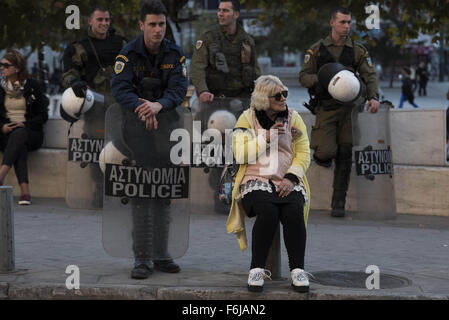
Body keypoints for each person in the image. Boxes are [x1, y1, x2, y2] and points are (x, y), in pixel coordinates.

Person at [111, 0, 188, 279]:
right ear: (142, 25)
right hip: (135, 131)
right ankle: (142, 258)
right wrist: (144, 108)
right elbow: (120, 89)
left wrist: (159, 106)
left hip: (167, 129)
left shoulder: (175, 52)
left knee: (163, 192)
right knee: (144, 192)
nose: (158, 30)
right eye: (152, 24)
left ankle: (162, 254)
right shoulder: (128, 53)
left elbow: (179, 89)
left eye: (162, 24)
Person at [226, 75, 311, 293]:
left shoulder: (293, 118)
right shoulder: (247, 118)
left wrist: (291, 178)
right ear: (264, 99)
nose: (283, 98)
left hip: (286, 178)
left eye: (285, 94)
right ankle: (256, 270)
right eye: (278, 96)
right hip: (255, 178)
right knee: (268, 212)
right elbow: (240, 153)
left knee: (293, 211)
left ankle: (297, 270)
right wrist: (266, 137)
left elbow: (303, 152)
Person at [299, 6, 380, 218]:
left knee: (345, 154)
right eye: (342, 22)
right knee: (326, 152)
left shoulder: (357, 50)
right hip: (326, 108)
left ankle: (338, 202)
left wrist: (373, 97)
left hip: (349, 109)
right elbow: (304, 77)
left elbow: (370, 75)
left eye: (349, 22)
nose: (346, 27)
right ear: (332, 23)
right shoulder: (317, 50)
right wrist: (325, 78)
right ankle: (324, 154)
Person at [0, 50, 49, 204]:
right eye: (1, 65)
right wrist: (2, 127)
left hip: (31, 133)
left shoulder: (33, 86)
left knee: (19, 134)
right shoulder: (0, 88)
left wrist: (25, 124)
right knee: (17, 142)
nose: (2, 68)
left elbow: (43, 115)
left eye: (6, 65)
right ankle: (25, 192)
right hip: (6, 135)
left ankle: (1, 176)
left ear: (17, 68)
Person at [190, 0, 260, 102]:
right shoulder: (208, 38)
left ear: (236, 14)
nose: (220, 14)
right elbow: (197, 68)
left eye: (225, 11)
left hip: (243, 98)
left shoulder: (247, 41)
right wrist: (202, 91)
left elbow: (256, 71)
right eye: (219, 10)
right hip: (214, 98)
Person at [62, 5, 127, 100]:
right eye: (100, 20)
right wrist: (75, 82)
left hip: (120, 100)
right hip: (92, 100)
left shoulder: (121, 43)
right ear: (90, 21)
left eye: (107, 20)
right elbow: (68, 74)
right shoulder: (78, 47)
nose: (104, 23)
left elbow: (134, 66)